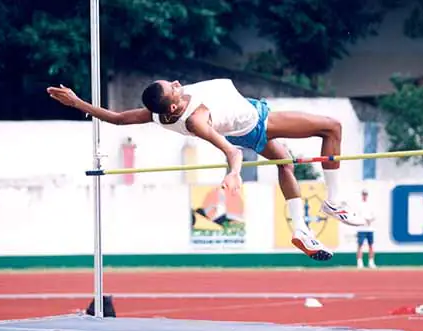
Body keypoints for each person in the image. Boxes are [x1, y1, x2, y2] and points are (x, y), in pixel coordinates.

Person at [47, 78, 365, 261]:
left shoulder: (156, 113)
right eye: (173, 88)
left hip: (246, 119)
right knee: (331, 128)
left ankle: (300, 230)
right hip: (258, 122)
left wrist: (77, 102)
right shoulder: (196, 120)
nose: (177, 83)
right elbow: (230, 149)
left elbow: (116, 118)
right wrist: (234, 173)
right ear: (174, 106)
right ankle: (334, 201)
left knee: (285, 162)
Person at [356, 189, 377, 269]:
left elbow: (374, 216)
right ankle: (359, 263)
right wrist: (363, 220)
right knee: (360, 245)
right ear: (362, 195)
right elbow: (356, 216)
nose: (364, 196)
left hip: (370, 229)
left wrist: (369, 220)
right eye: (363, 194)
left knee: (371, 245)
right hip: (361, 228)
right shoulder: (359, 205)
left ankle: (371, 262)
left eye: (366, 194)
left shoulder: (371, 205)